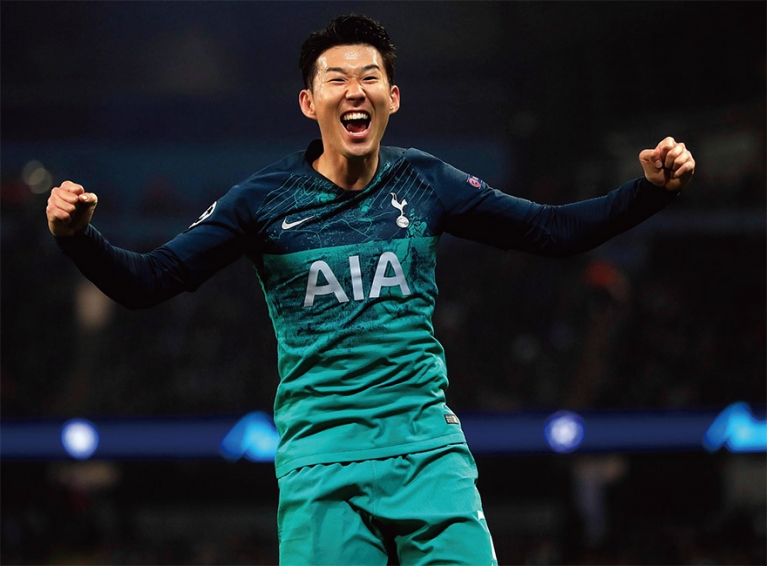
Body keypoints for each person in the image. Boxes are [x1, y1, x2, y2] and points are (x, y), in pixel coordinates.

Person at [46, 13, 695, 566]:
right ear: (309, 102)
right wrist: (79, 237)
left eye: (369, 78)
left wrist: (649, 192)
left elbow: (551, 231)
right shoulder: (261, 202)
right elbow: (148, 281)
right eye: (336, 79)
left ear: (393, 97)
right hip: (321, 463)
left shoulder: (425, 182)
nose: (354, 90)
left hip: (427, 451)